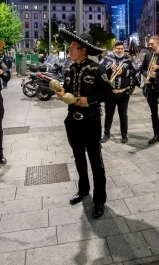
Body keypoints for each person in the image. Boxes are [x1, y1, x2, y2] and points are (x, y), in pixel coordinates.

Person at [56, 30, 112, 219]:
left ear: (84, 50)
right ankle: (83, 190)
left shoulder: (97, 70)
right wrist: (63, 93)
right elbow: (69, 90)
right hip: (72, 120)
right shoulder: (71, 69)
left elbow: (108, 93)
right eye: (70, 47)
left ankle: (99, 199)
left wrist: (89, 100)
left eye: (73, 47)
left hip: (91, 119)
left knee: (95, 160)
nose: (70, 50)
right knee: (78, 157)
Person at [99, 41, 136, 144]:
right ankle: (106, 134)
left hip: (124, 93)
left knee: (123, 114)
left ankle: (124, 135)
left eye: (121, 49)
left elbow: (134, 72)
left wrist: (123, 72)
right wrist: (109, 67)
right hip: (110, 93)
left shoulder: (128, 60)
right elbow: (99, 69)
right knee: (109, 114)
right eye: (118, 48)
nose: (120, 50)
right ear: (114, 49)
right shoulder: (107, 59)